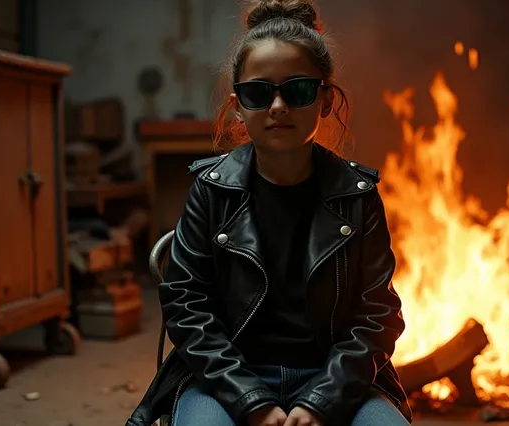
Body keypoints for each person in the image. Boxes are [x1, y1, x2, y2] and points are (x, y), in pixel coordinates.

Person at [127, 0, 412, 425]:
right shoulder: (210, 190)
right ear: (238, 105)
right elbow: (187, 309)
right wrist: (251, 401)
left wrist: (321, 401)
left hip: (333, 379)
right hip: (225, 379)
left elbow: (377, 317)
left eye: (297, 90)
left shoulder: (358, 195)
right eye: (259, 93)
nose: (278, 106)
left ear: (326, 100)